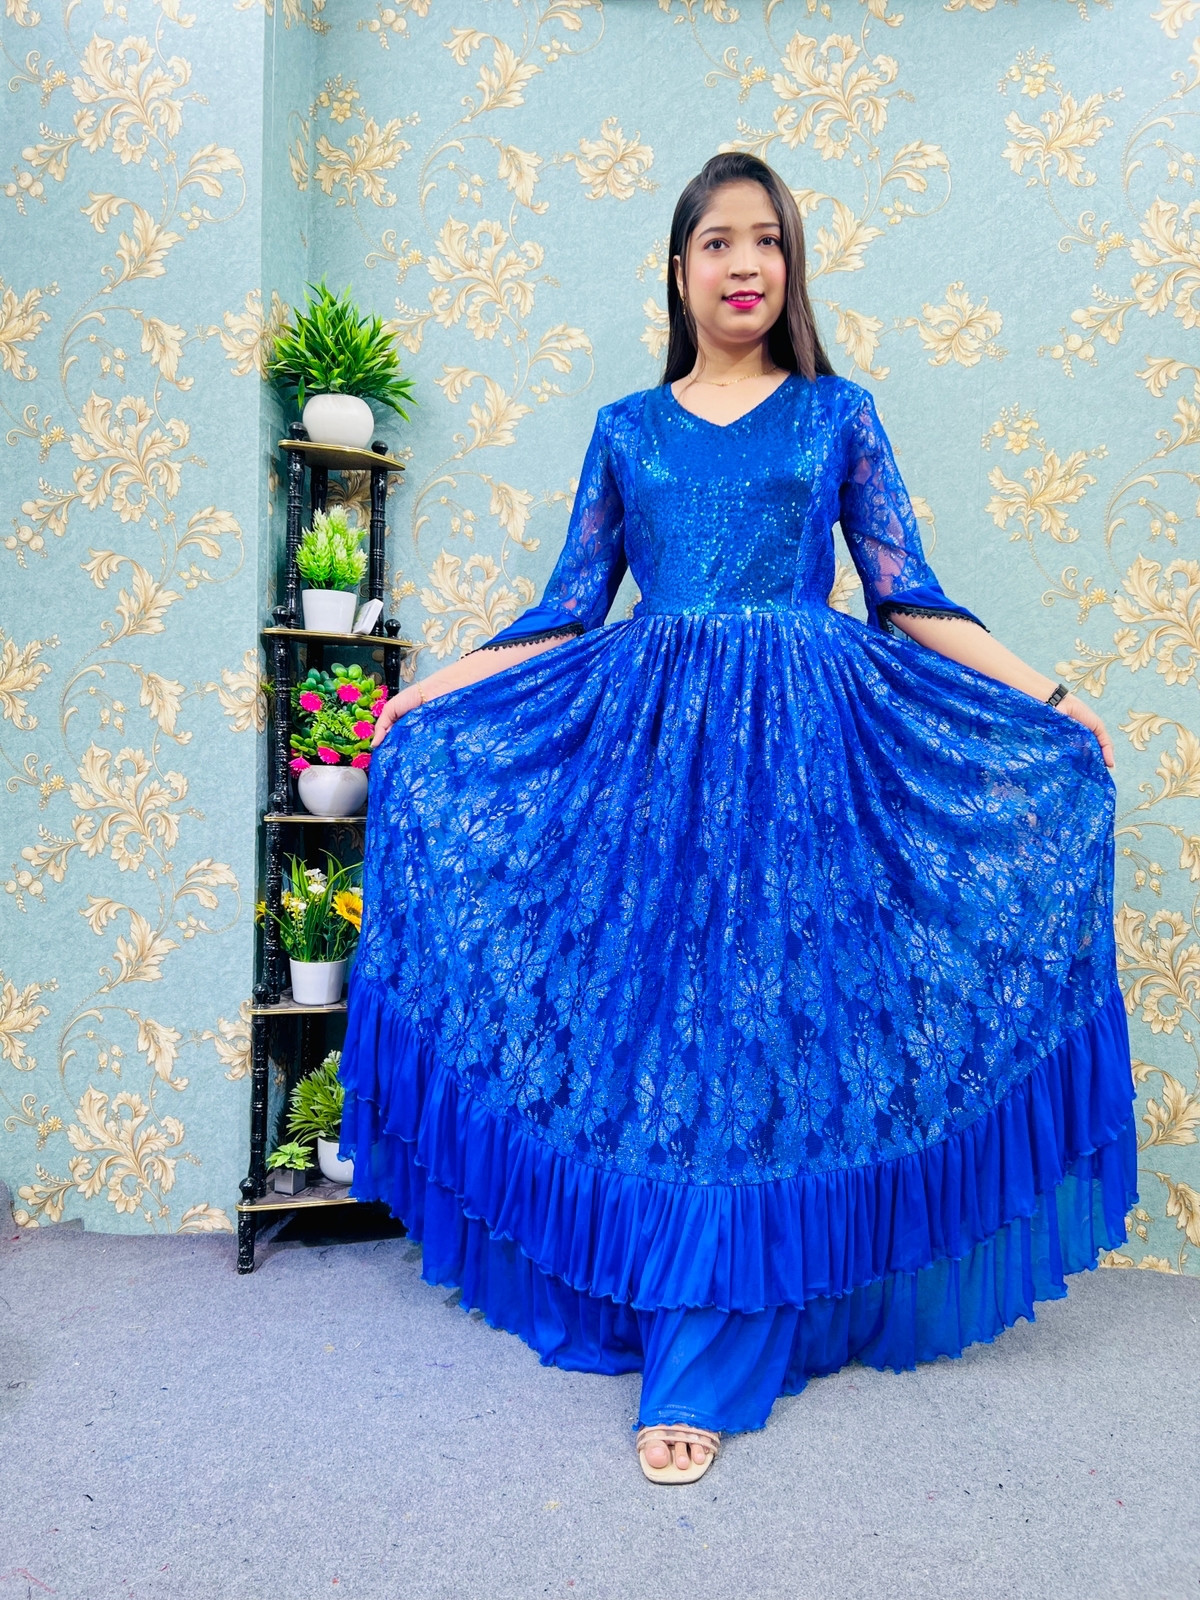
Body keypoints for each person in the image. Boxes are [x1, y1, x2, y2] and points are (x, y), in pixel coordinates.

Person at [339, 152, 1135, 1485]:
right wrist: (431, 693)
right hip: (651, 765)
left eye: (767, 240)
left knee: (767, 1028)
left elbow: (909, 595)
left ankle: (719, 1339)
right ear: (679, 270)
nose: (744, 263)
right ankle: (675, 1302)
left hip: (806, 765)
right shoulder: (626, 428)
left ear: (790, 264)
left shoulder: (838, 414)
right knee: (666, 1027)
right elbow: (567, 609)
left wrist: (1050, 696)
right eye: (718, 241)